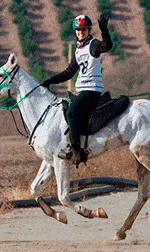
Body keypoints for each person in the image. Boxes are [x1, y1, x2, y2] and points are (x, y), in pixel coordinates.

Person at [41, 13, 112, 164]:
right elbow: (68, 72)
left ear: (89, 30)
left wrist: (105, 32)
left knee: (72, 112)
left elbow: (107, 46)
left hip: (92, 90)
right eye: (78, 30)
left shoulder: (93, 44)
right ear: (75, 31)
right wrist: (50, 81)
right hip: (83, 90)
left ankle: (75, 151)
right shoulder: (78, 49)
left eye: (84, 30)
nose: (81, 32)